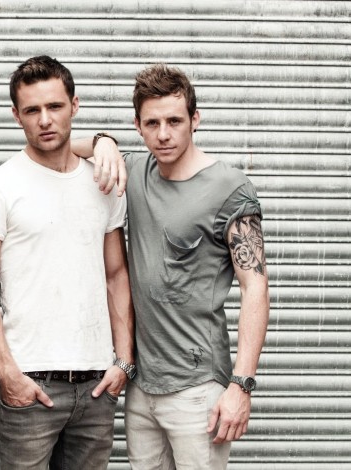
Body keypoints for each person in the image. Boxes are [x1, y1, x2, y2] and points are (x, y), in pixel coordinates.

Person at [0, 55, 135, 470]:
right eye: (32, 110)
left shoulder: (103, 183)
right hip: (30, 385)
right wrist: (8, 374)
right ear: (16, 115)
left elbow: (116, 275)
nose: (44, 120)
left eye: (55, 106)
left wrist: (123, 361)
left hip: (97, 386)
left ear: (74, 105)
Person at [115, 63, 269, 469]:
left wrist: (241, 386)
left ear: (194, 119)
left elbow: (255, 287)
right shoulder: (135, 170)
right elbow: (70, 146)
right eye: (152, 123)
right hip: (142, 386)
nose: (163, 134)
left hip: (198, 386)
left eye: (174, 121)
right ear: (137, 126)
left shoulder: (229, 188)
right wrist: (102, 143)